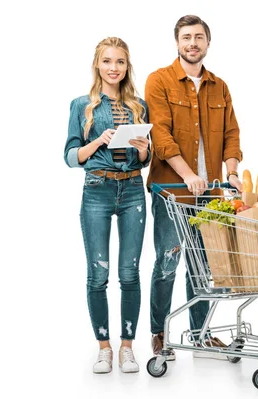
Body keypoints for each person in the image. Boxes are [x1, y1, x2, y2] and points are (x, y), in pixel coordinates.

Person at [145, 15, 243, 360]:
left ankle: (200, 335)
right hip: (171, 190)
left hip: (211, 192)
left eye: (199, 37)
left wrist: (231, 173)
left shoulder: (220, 86)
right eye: (186, 37)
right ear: (177, 42)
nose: (192, 43)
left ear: (207, 43)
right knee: (167, 263)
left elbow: (232, 134)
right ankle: (160, 334)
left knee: (203, 265)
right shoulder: (159, 81)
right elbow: (160, 134)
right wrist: (187, 174)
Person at [64, 37, 150, 374]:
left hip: (131, 190)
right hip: (97, 190)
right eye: (107, 61)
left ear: (127, 67)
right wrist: (97, 141)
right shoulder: (81, 105)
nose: (113, 68)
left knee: (129, 273)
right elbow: (71, 156)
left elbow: (143, 160)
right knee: (97, 273)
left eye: (120, 62)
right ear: (97, 65)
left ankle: (127, 347)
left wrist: (143, 150)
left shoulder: (138, 105)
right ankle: (104, 347)